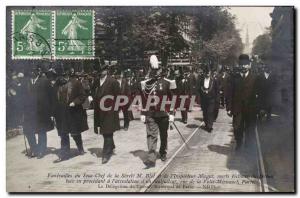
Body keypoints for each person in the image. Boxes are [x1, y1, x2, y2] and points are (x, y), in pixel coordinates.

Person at [139, 54, 176, 168]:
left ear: (160, 70)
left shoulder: (166, 82)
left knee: (163, 135)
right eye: (152, 70)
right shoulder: (146, 83)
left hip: (163, 114)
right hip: (151, 114)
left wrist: (172, 113)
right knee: (151, 135)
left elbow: (173, 98)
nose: (154, 72)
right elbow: (143, 100)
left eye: (156, 70)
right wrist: (143, 113)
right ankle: (151, 158)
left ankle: (163, 152)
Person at [54, 67, 88, 162]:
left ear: (68, 75)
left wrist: (75, 102)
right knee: (63, 133)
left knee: (75, 133)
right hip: (61, 113)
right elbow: (54, 98)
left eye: (65, 76)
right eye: (61, 76)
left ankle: (80, 147)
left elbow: (82, 96)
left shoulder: (75, 83)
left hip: (72, 112)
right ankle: (64, 154)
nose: (63, 78)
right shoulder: (57, 84)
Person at [226, 54, 258, 151]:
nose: (243, 66)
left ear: (249, 65)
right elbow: (229, 94)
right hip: (237, 108)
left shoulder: (254, 78)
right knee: (237, 128)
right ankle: (239, 143)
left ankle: (248, 146)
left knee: (249, 129)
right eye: (241, 64)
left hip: (250, 109)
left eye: (245, 64)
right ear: (239, 65)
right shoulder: (233, 78)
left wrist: (259, 108)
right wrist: (229, 108)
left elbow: (258, 94)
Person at [92, 60, 121, 164]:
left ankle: (106, 154)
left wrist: (116, 110)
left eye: (103, 70)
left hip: (110, 111)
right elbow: (93, 91)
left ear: (106, 71)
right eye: (99, 70)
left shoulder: (113, 82)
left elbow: (119, 97)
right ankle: (111, 146)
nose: (101, 72)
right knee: (104, 132)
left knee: (108, 132)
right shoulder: (96, 81)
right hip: (99, 112)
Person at [22, 67, 54, 158]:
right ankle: (34, 149)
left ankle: (41, 150)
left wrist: (51, 112)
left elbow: (51, 97)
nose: (32, 72)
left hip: (41, 112)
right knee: (29, 132)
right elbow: (22, 97)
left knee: (41, 131)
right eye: (31, 71)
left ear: (38, 72)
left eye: (35, 70)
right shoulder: (26, 82)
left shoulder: (45, 82)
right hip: (29, 112)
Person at [198, 65, 219, 133]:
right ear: (204, 73)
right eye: (206, 72)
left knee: (210, 112)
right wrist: (199, 99)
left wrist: (217, 100)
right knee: (205, 113)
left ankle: (210, 126)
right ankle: (207, 124)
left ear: (210, 73)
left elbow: (217, 90)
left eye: (208, 72)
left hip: (211, 99)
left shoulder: (214, 81)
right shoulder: (201, 80)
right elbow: (199, 90)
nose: (207, 73)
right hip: (204, 100)